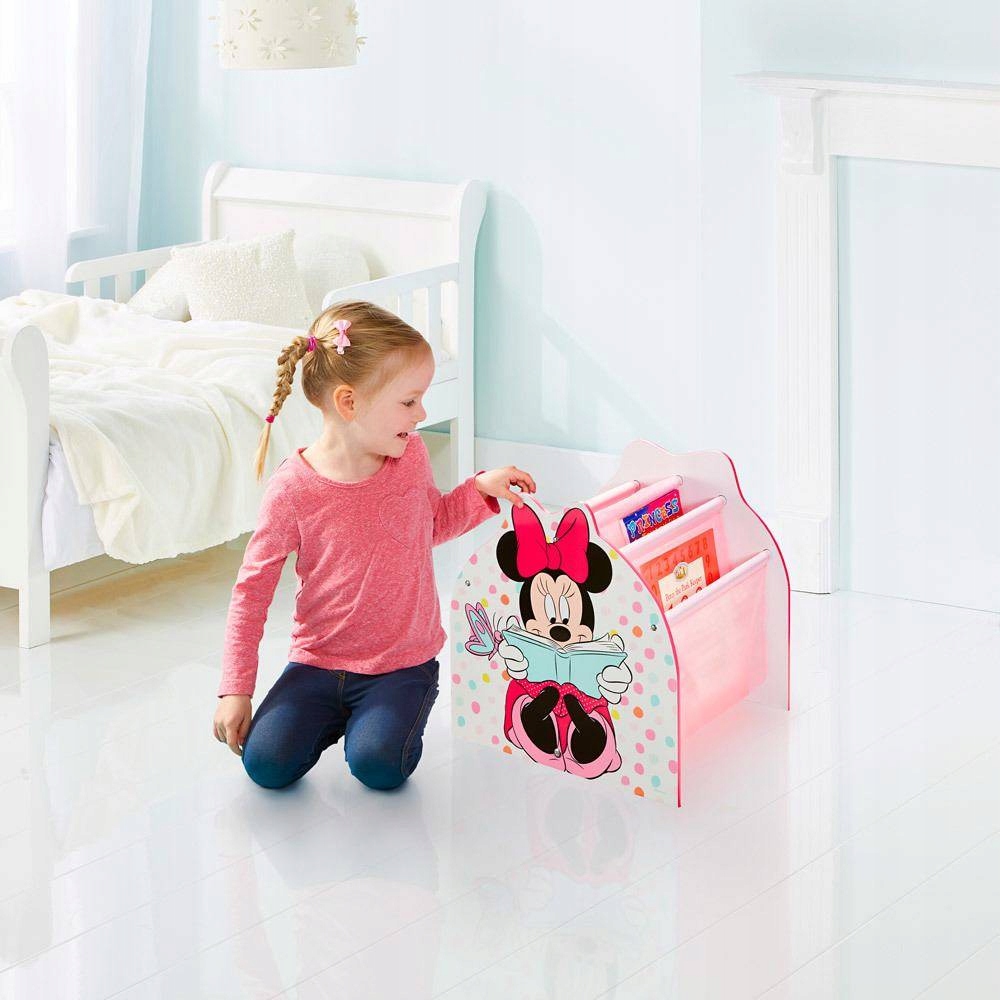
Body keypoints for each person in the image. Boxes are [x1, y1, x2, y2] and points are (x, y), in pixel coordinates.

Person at [212, 300, 536, 791]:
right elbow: (251, 592)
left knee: (379, 766)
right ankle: (344, 718)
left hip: (401, 664)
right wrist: (235, 689)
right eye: (409, 402)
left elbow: (430, 524)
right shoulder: (292, 490)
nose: (422, 415)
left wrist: (479, 490)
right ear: (349, 403)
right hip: (318, 663)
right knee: (266, 765)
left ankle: (379, 718)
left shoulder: (410, 458)